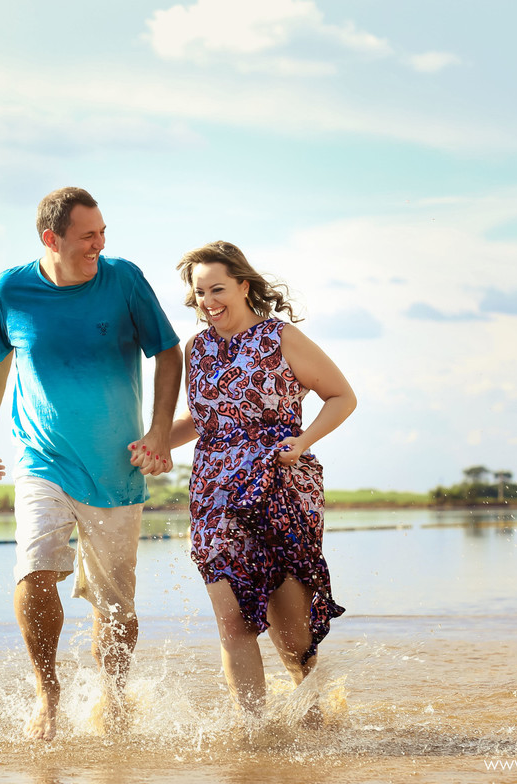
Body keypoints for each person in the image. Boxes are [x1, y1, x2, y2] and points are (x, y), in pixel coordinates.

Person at [0, 187, 182, 741]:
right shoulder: (11, 288)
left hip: (117, 470)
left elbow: (168, 350)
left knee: (116, 608)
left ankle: (113, 698)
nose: (100, 244)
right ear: (52, 238)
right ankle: (48, 694)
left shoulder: (125, 281)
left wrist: (160, 431)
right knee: (36, 566)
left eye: (103, 232)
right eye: (88, 235)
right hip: (42, 456)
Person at [167, 240, 356, 716]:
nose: (209, 302)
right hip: (213, 493)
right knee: (232, 623)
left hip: (280, 486)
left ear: (243, 286)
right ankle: (253, 733)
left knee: (291, 636)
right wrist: (152, 445)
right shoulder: (197, 349)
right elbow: (205, 420)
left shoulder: (280, 337)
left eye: (218, 289)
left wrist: (304, 440)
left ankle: (316, 716)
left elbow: (341, 396)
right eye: (200, 292)